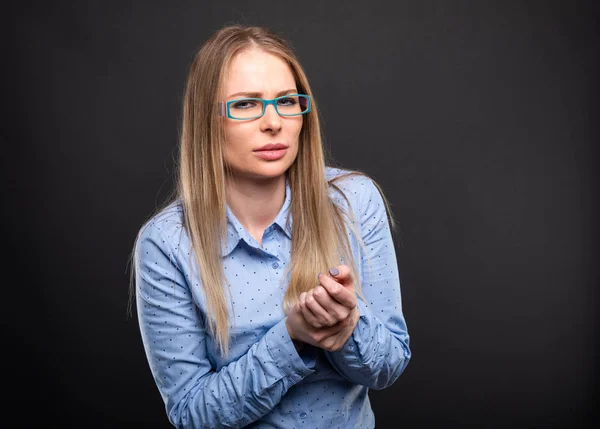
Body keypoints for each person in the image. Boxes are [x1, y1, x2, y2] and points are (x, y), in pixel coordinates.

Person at [129, 24, 411, 429]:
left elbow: (389, 366)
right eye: (245, 105)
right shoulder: (166, 243)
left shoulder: (354, 201)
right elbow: (192, 414)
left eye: (287, 101)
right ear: (207, 120)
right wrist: (292, 339)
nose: (273, 122)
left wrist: (350, 327)